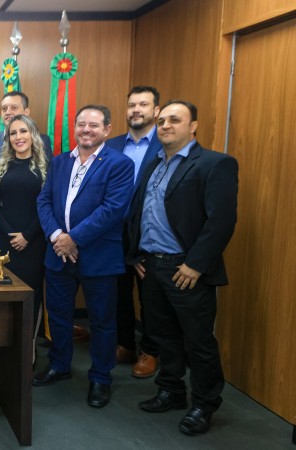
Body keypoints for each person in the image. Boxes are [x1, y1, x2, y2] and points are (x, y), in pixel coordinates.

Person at [126, 100, 238, 436]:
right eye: (162, 121)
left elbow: (221, 222)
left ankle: (204, 403)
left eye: (175, 120)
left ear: (194, 126)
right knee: (163, 336)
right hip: (152, 266)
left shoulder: (215, 164)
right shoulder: (154, 165)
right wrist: (136, 257)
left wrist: (195, 264)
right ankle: (171, 390)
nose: (166, 126)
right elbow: (138, 213)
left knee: (198, 340)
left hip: (185, 269)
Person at [34, 105, 134, 409]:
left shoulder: (119, 164)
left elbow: (112, 210)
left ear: (106, 129)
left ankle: (100, 378)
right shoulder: (60, 161)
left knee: (102, 320)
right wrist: (56, 238)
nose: (86, 130)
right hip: (59, 256)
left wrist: (72, 238)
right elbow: (44, 200)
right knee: (60, 315)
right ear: (74, 128)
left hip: (99, 258)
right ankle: (59, 365)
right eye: (81, 124)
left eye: (93, 125)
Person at [105, 86, 163, 378]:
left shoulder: (164, 146)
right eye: (131, 105)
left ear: (156, 111)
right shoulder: (113, 145)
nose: (136, 110)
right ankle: (125, 343)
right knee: (118, 292)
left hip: (148, 235)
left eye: (143, 104)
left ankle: (150, 350)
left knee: (149, 294)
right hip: (115, 232)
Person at [0, 114, 48, 342]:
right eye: (13, 133)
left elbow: (46, 206)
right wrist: (11, 234)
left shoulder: (44, 168)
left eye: (23, 131)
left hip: (33, 243)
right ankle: (5, 346)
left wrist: (27, 235)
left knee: (31, 296)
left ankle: (28, 348)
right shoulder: (1, 167)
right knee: (3, 296)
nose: (18, 137)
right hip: (4, 243)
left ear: (32, 135)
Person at [0, 92, 51, 258]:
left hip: (34, 233)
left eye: (14, 107)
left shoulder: (44, 147)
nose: (8, 112)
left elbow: (47, 198)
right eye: (4, 108)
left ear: (26, 112)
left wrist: (28, 234)